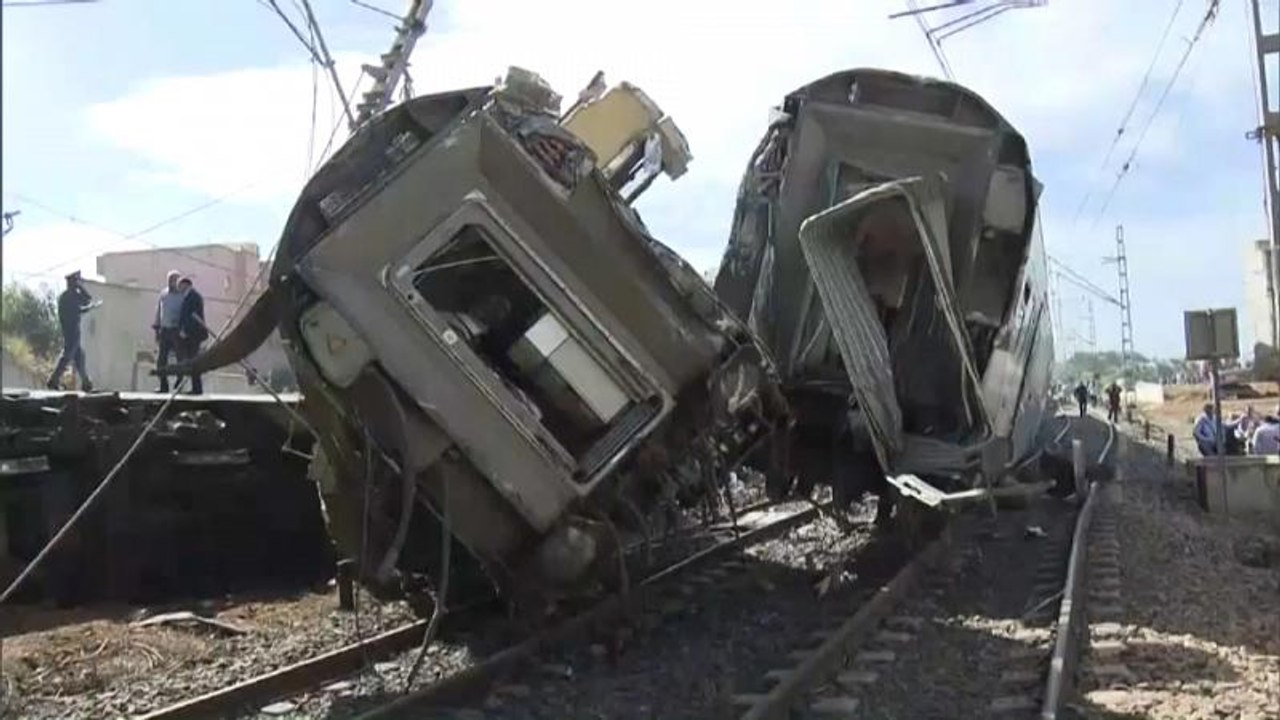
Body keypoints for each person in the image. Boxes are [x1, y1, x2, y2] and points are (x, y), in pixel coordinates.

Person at [46, 271, 99, 391]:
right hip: (71, 330)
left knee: (79, 357)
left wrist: (80, 289)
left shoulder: (68, 296)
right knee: (67, 355)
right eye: (76, 282)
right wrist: (81, 289)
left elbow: (86, 301)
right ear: (73, 283)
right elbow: (83, 305)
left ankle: (86, 383)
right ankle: (53, 380)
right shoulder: (69, 297)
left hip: (71, 329)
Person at [152, 270, 185, 393]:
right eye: (170, 280)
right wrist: (156, 328)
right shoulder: (163, 294)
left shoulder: (182, 296)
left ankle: (180, 381)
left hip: (176, 330)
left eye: (174, 280)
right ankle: (163, 386)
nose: (172, 282)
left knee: (180, 358)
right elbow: (159, 311)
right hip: (164, 330)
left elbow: (185, 313)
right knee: (161, 360)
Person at [176, 276, 208, 395]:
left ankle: (197, 388)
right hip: (190, 334)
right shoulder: (188, 296)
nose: (179, 288)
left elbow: (193, 317)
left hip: (193, 334)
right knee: (191, 359)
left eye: (180, 285)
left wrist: (186, 331)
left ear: (186, 284)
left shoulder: (193, 297)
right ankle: (195, 387)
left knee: (194, 360)